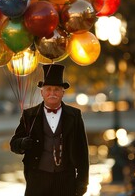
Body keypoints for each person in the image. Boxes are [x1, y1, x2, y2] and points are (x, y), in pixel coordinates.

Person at [10, 64, 89, 196]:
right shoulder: (29, 115)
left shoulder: (74, 115)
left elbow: (82, 151)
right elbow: (13, 144)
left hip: (66, 180)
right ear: (42, 92)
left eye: (57, 90)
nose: (52, 93)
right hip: (37, 180)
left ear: (63, 93)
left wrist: (82, 183)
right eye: (48, 89)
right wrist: (22, 143)